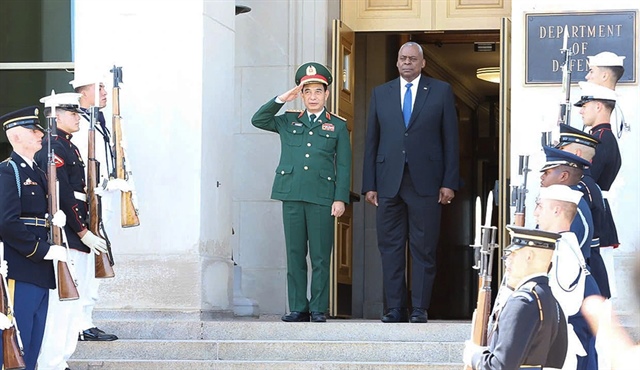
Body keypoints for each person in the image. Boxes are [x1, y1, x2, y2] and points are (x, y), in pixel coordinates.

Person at [361, 41, 459, 323]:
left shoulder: (440, 91)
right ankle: (394, 308)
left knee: (423, 247)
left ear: (422, 63)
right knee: (390, 248)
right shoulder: (381, 93)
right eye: (402, 58)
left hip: (427, 183)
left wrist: (449, 181)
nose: (407, 63)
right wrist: (370, 184)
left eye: (412, 59)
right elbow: (372, 141)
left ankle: (419, 308)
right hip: (388, 182)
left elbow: (451, 140)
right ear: (397, 62)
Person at [251, 62, 351, 323]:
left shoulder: (337, 126)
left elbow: (343, 164)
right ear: (302, 94)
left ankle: (318, 308)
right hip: (292, 194)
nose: (313, 97)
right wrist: (283, 98)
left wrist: (340, 198)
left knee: (320, 256)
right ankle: (298, 306)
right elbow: (258, 119)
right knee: (295, 254)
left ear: (327, 94)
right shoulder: (287, 120)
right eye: (307, 92)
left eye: (318, 91)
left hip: (321, 197)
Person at [35, 92, 108, 370]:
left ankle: (61, 360)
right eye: (72, 113)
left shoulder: (68, 146)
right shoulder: (54, 148)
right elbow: (63, 194)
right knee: (62, 307)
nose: (78, 117)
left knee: (72, 307)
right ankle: (51, 363)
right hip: (67, 234)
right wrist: (81, 231)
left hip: (77, 232)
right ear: (55, 116)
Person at [0, 106, 68, 369]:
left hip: (40, 270)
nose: (40, 134)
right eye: (33, 130)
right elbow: (7, 222)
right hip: (22, 266)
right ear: (16, 137)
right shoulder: (9, 171)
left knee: (34, 343)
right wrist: (43, 250)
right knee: (17, 341)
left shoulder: (38, 171)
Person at [462, 225, 567, 369]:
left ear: (529, 256)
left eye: (513, 253)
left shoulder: (522, 301)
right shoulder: (550, 300)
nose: (507, 260)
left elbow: (499, 366)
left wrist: (474, 355)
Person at [69, 70, 120, 342]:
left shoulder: (100, 122)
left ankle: (86, 319)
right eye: (98, 87)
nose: (103, 92)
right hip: (88, 203)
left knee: (94, 265)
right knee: (84, 267)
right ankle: (79, 322)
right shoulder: (78, 126)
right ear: (82, 93)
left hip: (102, 200)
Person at [534, 183, 600, 370]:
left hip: (565, 346)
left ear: (556, 210)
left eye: (540, 206)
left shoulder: (562, 252)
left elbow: (562, 307)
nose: (535, 213)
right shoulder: (563, 247)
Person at [574, 81, 622, 299]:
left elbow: (588, 182)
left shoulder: (600, 140)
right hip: (597, 212)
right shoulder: (600, 137)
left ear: (599, 107)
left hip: (595, 215)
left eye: (586, 104)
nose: (582, 110)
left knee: (598, 282)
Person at [556, 124, 610, 298]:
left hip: (583, 273)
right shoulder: (587, 184)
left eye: (563, 149)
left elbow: (576, 235)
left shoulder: (580, 188)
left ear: (576, 154)